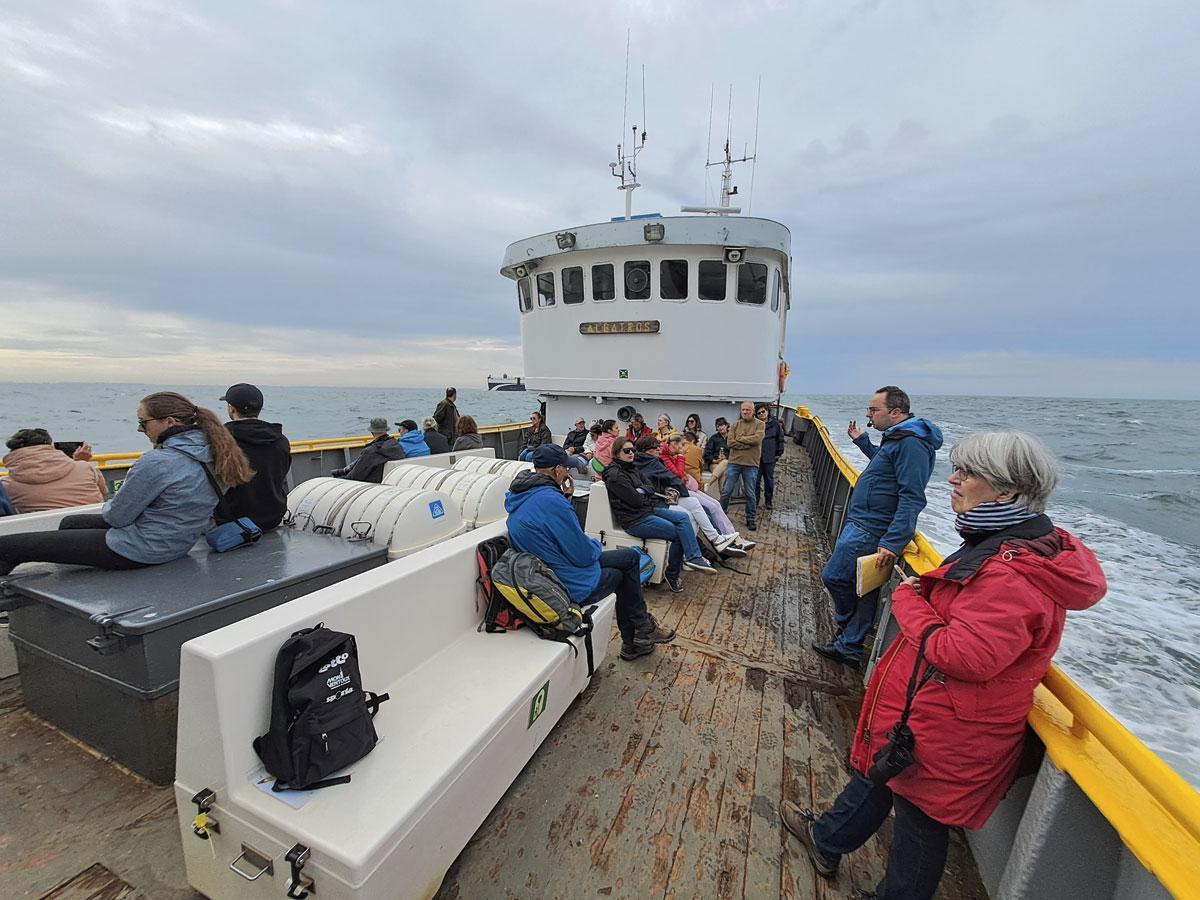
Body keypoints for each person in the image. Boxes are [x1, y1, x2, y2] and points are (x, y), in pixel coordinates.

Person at [781, 431, 1105, 900]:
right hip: (934, 714)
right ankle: (827, 839)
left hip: (953, 727)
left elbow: (964, 655)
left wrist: (909, 598)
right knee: (886, 776)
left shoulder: (1010, 574)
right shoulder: (1009, 542)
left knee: (919, 826)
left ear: (1007, 491)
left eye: (968, 473)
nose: (952, 479)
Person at [0, 391, 253, 576]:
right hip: (179, 542)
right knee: (71, 524)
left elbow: (117, 517)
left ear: (170, 423)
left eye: (143, 423)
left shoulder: (159, 461)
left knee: (8, 546)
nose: (140, 430)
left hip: (141, 550)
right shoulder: (218, 453)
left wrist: (117, 504)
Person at [504, 444, 676, 661]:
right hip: (566, 583)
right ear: (558, 470)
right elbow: (583, 555)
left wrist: (566, 498)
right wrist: (595, 543)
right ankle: (636, 638)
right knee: (623, 572)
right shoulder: (551, 501)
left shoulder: (521, 495)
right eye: (565, 469)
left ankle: (640, 634)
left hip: (549, 572)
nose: (567, 473)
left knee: (631, 557)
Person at [813, 387, 943, 669]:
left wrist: (893, 541)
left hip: (871, 529)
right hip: (863, 522)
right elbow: (885, 469)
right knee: (863, 589)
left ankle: (847, 628)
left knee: (834, 577)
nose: (868, 414)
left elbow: (912, 496)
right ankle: (849, 645)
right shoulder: (898, 438)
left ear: (895, 412)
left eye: (874, 410)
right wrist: (863, 443)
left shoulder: (912, 444)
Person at [603, 436, 716, 591]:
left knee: (683, 518)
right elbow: (635, 500)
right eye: (627, 451)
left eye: (633, 450)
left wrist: (643, 490)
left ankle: (693, 557)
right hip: (634, 520)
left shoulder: (632, 467)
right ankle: (674, 573)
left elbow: (650, 486)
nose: (631, 453)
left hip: (646, 510)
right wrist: (644, 492)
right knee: (678, 533)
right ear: (616, 453)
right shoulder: (615, 475)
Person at [634, 436, 738, 555]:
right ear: (647, 450)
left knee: (699, 504)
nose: (659, 449)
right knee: (690, 514)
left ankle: (715, 540)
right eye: (656, 447)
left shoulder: (646, 460)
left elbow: (676, 475)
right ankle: (691, 554)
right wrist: (684, 491)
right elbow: (674, 476)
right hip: (657, 501)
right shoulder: (653, 461)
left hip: (663, 496)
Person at [220, 383, 291, 531]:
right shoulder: (281, 440)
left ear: (231, 409)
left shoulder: (221, 442)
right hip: (272, 519)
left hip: (231, 523)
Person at [2, 428, 107, 513]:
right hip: (91, 530)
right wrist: (78, 462)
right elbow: (105, 492)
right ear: (51, 447)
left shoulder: (6, 486)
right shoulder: (85, 468)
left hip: (42, 536)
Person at [721, 402, 765, 531]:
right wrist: (746, 444)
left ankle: (750, 518)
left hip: (751, 464)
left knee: (750, 493)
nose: (745, 412)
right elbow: (730, 443)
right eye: (743, 410)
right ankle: (721, 513)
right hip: (734, 462)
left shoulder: (760, 424)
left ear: (753, 411)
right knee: (726, 491)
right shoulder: (735, 425)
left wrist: (740, 439)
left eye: (748, 410)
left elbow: (757, 440)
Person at [333, 418, 406, 482]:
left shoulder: (370, 451)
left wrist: (337, 479)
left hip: (371, 484)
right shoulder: (396, 445)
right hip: (388, 481)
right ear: (386, 430)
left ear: (372, 432)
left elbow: (355, 476)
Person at [755, 404, 785, 511]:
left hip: (770, 457)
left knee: (769, 480)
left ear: (767, 411)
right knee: (756, 481)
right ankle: (756, 501)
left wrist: (778, 453)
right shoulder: (755, 425)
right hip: (757, 458)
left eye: (763, 411)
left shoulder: (775, 425)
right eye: (759, 413)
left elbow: (780, 439)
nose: (762, 414)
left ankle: (768, 501)